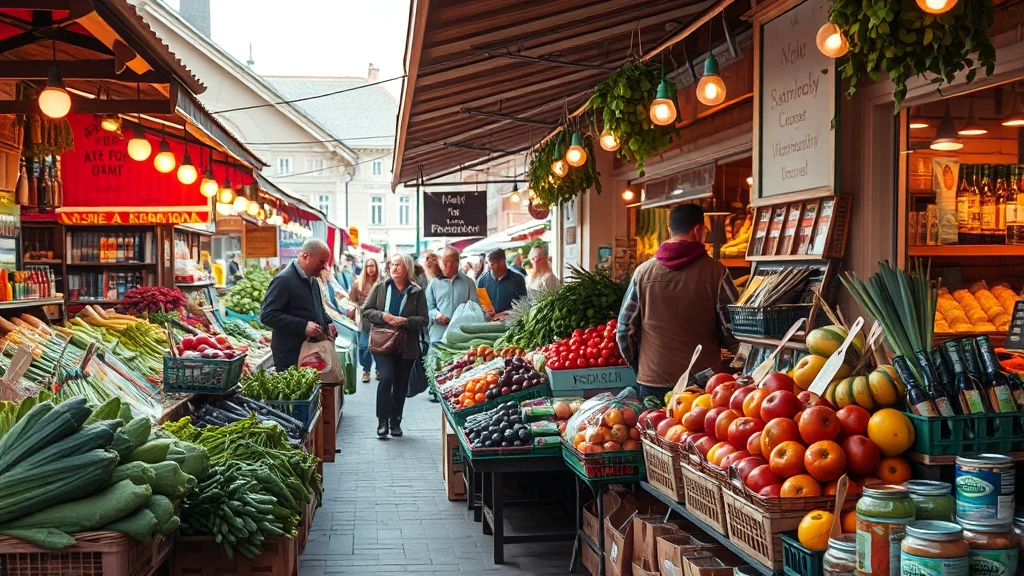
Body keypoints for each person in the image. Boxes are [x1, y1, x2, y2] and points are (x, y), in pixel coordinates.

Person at [616, 204, 738, 400]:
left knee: (654, 421)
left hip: (653, 381)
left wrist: (642, 366)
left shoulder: (642, 273)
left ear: (669, 230)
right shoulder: (717, 272)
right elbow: (733, 327)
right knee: (697, 422)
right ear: (698, 230)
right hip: (702, 383)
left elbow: (624, 331)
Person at [362, 253, 428, 438]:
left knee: (400, 384)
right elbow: (366, 311)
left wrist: (406, 321)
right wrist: (384, 316)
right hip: (383, 343)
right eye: (391, 264)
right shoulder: (381, 287)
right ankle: (382, 421)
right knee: (386, 377)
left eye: (398, 264)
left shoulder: (416, 291)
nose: (394, 267)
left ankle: (396, 421)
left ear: (407, 268)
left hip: (407, 345)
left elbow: (424, 319)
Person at [260, 238, 338, 370]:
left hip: (311, 353)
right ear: (306, 256)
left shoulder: (313, 281)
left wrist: (327, 322)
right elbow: (267, 315)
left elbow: (318, 308)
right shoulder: (284, 280)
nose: (324, 267)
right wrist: (303, 326)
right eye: (321, 262)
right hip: (290, 357)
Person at [425, 248, 479, 344]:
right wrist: (437, 315)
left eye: (448, 261)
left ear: (456, 263)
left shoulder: (468, 283)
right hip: (438, 335)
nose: (445, 264)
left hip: (460, 336)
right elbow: (428, 307)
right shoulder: (434, 283)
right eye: (444, 261)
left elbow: (474, 308)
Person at [348, 257, 380, 383]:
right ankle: (366, 370)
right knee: (363, 346)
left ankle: (378, 368)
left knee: (378, 346)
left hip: (378, 320)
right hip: (363, 320)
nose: (370, 269)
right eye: (368, 266)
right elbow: (351, 301)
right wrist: (354, 310)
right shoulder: (358, 283)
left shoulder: (381, 283)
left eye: (372, 266)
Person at [476, 248, 528, 316]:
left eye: (499, 263)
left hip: (511, 319)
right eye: (492, 264)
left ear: (504, 261)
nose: (496, 267)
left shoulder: (518, 278)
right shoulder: (482, 280)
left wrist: (508, 312)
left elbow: (524, 303)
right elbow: (479, 304)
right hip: (491, 321)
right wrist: (485, 312)